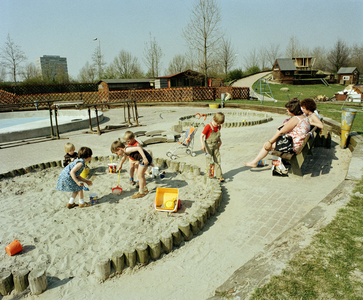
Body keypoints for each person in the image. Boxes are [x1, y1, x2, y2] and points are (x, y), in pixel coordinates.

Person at [244, 99, 310, 168]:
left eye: (288, 109)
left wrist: (270, 142)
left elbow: (281, 131)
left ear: (293, 110)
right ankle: (276, 164)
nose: (287, 110)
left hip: (293, 145)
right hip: (299, 143)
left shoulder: (295, 119)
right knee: (274, 143)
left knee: (266, 145)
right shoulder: (304, 117)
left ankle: (254, 162)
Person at [200, 112, 225, 182]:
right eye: (217, 123)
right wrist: (202, 145)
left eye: (220, 124)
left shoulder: (219, 126)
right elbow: (201, 136)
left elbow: (218, 135)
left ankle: (219, 176)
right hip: (208, 146)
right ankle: (210, 175)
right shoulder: (208, 126)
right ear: (213, 119)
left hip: (216, 145)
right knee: (209, 161)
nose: (218, 125)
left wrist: (220, 141)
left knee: (217, 160)